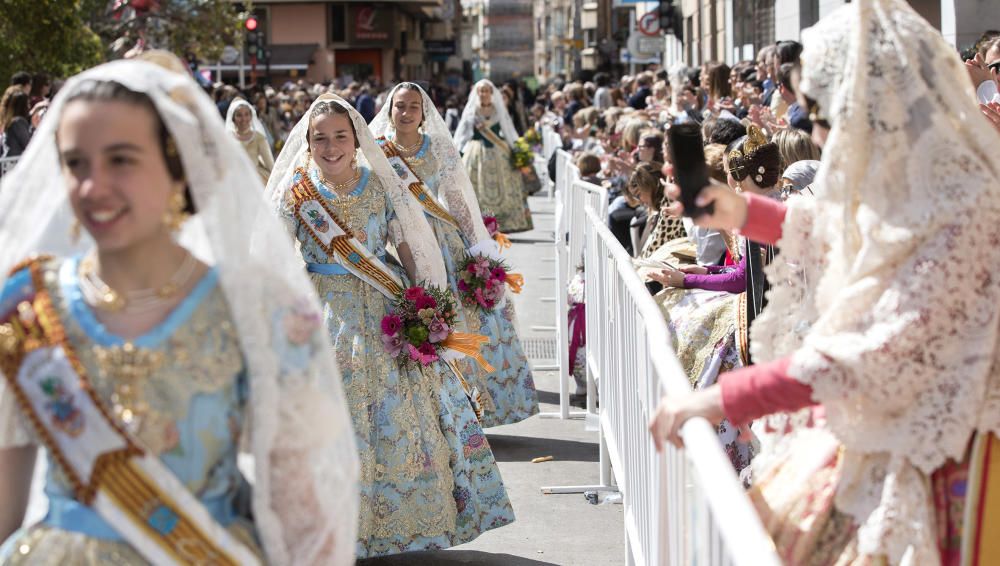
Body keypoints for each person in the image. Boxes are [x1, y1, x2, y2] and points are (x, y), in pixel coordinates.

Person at [650, 1, 1000, 562]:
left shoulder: (964, 202)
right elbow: (831, 225)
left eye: (821, 117)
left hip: (956, 469)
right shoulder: (912, 178)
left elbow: (872, 352)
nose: (818, 134)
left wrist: (722, 398)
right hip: (890, 438)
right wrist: (732, 210)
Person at [0, 59, 358, 566]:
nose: (91, 187)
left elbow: (307, 518)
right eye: (75, 162)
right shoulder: (27, 303)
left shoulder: (258, 308)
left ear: (178, 167)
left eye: (121, 160)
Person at [266, 93, 515, 558]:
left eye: (341, 136)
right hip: (322, 312)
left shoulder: (380, 184)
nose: (331, 146)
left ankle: (401, 522)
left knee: (401, 414)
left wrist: (426, 307)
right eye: (320, 138)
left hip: (386, 312)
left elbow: (407, 245)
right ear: (307, 142)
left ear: (358, 139)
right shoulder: (296, 191)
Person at [371, 82, 539, 427]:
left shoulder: (438, 148)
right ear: (390, 110)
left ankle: (474, 409)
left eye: (413, 106)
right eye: (399, 106)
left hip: (443, 240)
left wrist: (479, 250)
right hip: (399, 241)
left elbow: (458, 200)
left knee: (464, 321)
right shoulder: (377, 152)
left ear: (423, 113)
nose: (405, 112)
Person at [454, 79, 533, 233]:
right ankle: (478, 224)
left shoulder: (499, 110)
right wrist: (456, 151)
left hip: (499, 152)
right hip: (475, 152)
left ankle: (503, 223)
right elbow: (462, 134)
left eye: (486, 91)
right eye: (481, 91)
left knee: (505, 185)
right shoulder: (471, 111)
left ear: (492, 93)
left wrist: (518, 151)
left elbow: (509, 130)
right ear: (477, 93)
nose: (483, 94)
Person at [225, 98, 274, 184]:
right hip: (235, 180)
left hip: (256, 180)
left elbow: (270, 163)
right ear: (233, 118)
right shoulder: (227, 137)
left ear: (251, 117)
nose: (243, 119)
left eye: (246, 114)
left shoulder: (259, 138)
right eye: (239, 115)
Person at [0, 87, 31, 157]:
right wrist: (35, 128)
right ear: (23, 106)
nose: (29, 107)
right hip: (15, 163)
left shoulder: (9, 122)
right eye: (28, 103)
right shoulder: (18, 122)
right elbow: (29, 145)